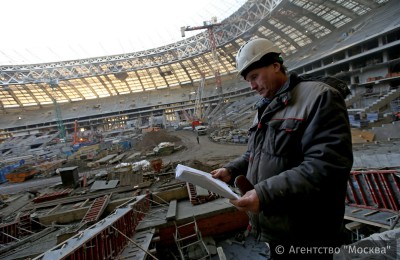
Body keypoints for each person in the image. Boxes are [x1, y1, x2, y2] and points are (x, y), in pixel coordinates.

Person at [211, 38, 353, 259]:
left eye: (255, 77)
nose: (252, 86)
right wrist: (231, 170)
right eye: (249, 80)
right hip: (277, 229)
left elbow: (326, 165)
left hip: (310, 232)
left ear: (276, 66)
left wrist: (264, 193)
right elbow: (255, 154)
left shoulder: (319, 97)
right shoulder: (264, 108)